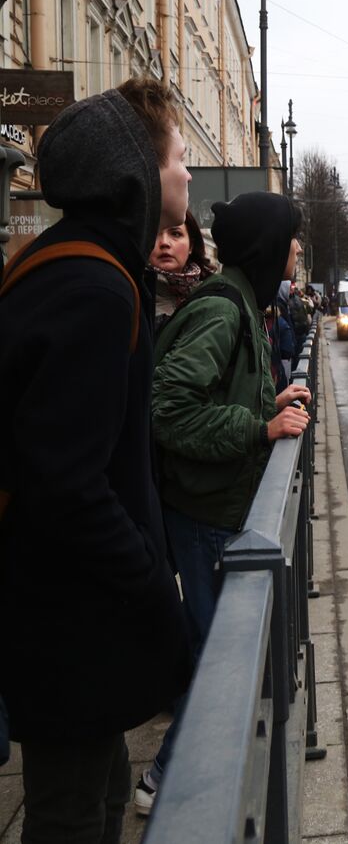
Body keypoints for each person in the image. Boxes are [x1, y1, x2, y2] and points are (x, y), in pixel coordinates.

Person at [0, 79, 193, 844]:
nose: (185, 173)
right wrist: (151, 580)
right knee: (71, 811)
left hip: (68, 613)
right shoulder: (93, 288)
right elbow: (66, 482)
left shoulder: (73, 265)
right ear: (138, 174)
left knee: (103, 782)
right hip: (68, 619)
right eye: (177, 157)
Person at [139, 192, 312, 814]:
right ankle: (169, 780)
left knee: (224, 654)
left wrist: (268, 404)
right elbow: (170, 409)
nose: (297, 248)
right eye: (292, 237)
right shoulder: (224, 310)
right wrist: (259, 429)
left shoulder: (242, 300)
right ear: (270, 246)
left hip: (211, 509)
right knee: (224, 663)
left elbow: (216, 393)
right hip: (206, 516)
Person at [150, 209, 213, 330]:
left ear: (191, 246)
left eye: (175, 234)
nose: (164, 242)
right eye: (155, 233)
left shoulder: (210, 295)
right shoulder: (134, 294)